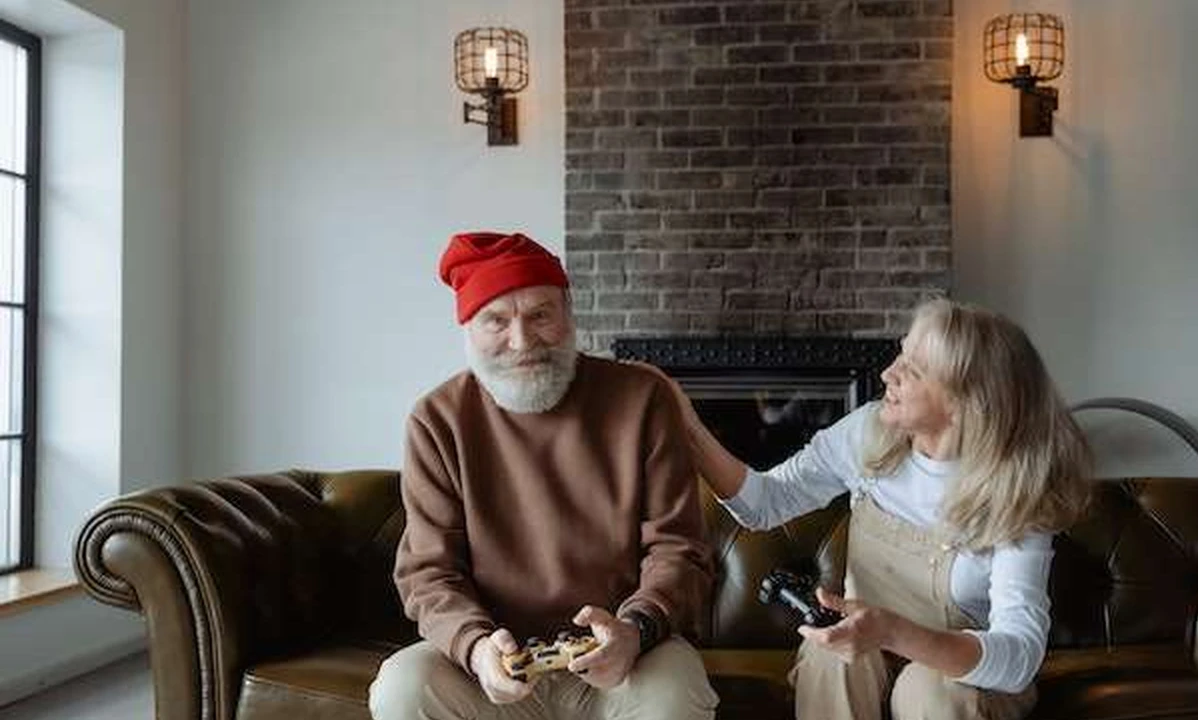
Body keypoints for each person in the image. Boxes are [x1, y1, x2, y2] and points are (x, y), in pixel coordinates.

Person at [658, 298, 1091, 720]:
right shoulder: (867, 432)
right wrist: (689, 428)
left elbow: (1019, 658)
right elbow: (765, 504)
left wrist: (893, 631)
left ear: (965, 404)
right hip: (866, 657)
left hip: (961, 683)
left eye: (912, 370)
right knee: (832, 658)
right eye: (899, 355)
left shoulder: (1018, 493)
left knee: (928, 689)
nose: (887, 373)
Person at [367, 231, 718, 720]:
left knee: (675, 692)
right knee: (403, 687)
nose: (522, 341)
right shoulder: (437, 419)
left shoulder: (642, 398)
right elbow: (429, 574)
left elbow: (678, 549)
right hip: (495, 667)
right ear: (468, 327)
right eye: (496, 320)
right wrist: (476, 648)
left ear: (569, 313)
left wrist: (636, 629)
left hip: (624, 658)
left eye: (540, 315)